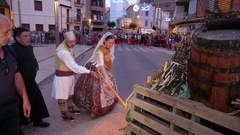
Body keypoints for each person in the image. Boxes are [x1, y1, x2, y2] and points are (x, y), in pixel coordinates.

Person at [51, 31, 97, 121]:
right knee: (62, 96)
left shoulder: (68, 47)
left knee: (69, 94)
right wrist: (88, 71)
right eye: (71, 42)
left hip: (69, 75)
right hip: (62, 77)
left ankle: (71, 109)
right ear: (65, 40)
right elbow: (73, 66)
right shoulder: (63, 51)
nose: (73, 44)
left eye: (74, 41)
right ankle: (64, 115)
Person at [11, 27, 50, 128]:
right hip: (20, 84)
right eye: (25, 36)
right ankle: (18, 127)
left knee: (36, 101)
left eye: (28, 36)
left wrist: (36, 65)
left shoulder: (29, 47)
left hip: (31, 81)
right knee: (20, 105)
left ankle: (37, 121)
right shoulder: (12, 50)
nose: (28, 38)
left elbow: (33, 58)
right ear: (17, 38)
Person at [73, 32, 118, 117]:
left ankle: (107, 105)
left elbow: (108, 62)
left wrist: (109, 74)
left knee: (109, 86)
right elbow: (100, 65)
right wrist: (106, 77)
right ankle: (98, 108)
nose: (111, 45)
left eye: (113, 43)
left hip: (105, 68)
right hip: (96, 69)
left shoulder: (109, 49)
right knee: (97, 89)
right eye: (110, 43)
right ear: (104, 41)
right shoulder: (100, 51)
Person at [0, 14, 31, 135]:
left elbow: (17, 76)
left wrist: (25, 99)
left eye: (10, 31)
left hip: (11, 109)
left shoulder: (9, 50)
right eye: (5, 32)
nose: (10, 36)